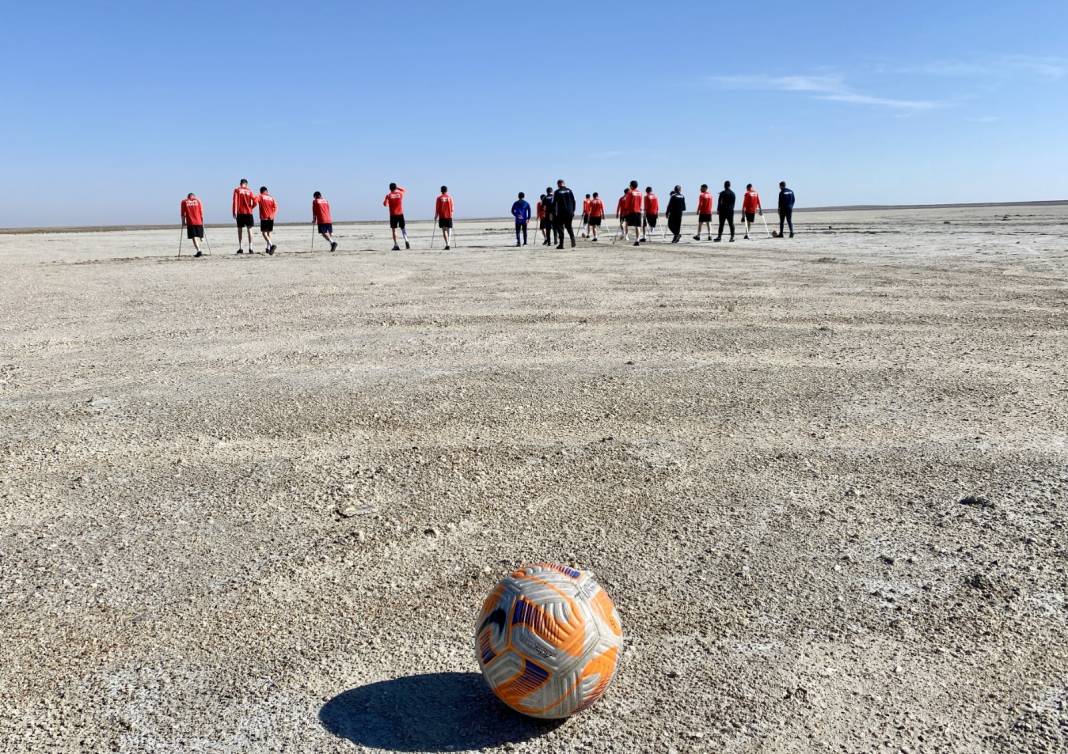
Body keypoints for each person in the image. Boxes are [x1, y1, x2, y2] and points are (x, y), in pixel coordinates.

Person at [232, 178, 258, 253]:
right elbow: (256, 201)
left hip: (240, 212)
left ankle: (241, 248)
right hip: (249, 212)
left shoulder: (237, 190)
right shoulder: (250, 191)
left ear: (240, 183)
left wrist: (234, 211)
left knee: (240, 230)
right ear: (246, 184)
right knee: (250, 230)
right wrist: (251, 207)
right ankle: (251, 248)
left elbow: (234, 201)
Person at [383, 183, 410, 250]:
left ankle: (396, 244)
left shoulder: (389, 195)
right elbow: (404, 190)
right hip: (400, 213)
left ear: (390, 188)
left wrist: (386, 199)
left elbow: (384, 204)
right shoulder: (400, 194)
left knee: (394, 230)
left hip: (393, 214)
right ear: (395, 187)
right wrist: (397, 188)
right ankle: (406, 240)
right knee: (403, 228)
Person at [552, 179, 577, 249]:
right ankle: (572, 239)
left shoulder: (557, 192)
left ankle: (561, 244)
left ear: (558, 184)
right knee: (569, 226)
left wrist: (553, 213)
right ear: (564, 183)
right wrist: (573, 210)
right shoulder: (570, 191)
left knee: (560, 227)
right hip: (570, 212)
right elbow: (574, 201)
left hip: (561, 212)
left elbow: (553, 203)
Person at [180, 193, 205, 257]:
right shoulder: (198, 201)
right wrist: (202, 222)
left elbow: (183, 213)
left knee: (194, 237)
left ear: (188, 197)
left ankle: (199, 250)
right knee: (199, 235)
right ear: (194, 196)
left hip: (191, 222)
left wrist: (183, 222)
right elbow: (201, 212)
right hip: (199, 221)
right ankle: (201, 237)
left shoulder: (184, 202)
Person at [258, 186, 278, 255]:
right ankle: (268, 248)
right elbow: (275, 207)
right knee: (269, 233)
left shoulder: (260, 196)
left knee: (264, 233)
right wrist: (273, 214)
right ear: (267, 191)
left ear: (261, 192)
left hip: (264, 217)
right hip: (271, 217)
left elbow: (255, 201)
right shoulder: (271, 198)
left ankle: (272, 245)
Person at [625, 179, 644, 246]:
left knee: (627, 224)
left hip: (632, 211)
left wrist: (626, 209)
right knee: (637, 226)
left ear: (631, 185)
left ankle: (627, 236)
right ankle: (637, 239)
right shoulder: (640, 193)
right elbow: (641, 201)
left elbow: (627, 202)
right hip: (638, 210)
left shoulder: (630, 192)